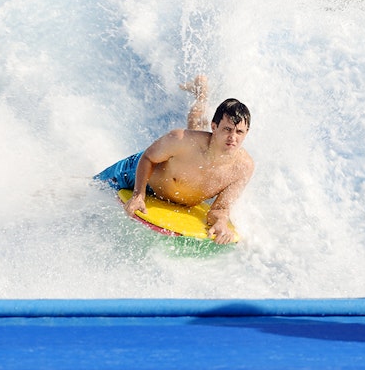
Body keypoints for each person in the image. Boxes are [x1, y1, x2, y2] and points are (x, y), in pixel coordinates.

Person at [95, 76, 254, 244]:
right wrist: (138, 194)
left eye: (239, 132)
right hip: (138, 176)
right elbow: (148, 157)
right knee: (91, 189)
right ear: (214, 127)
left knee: (198, 137)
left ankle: (201, 93)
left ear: (246, 133)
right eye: (227, 129)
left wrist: (221, 222)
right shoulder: (181, 139)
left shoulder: (243, 168)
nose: (232, 138)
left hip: (188, 179)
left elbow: (220, 208)